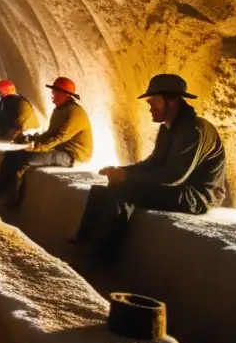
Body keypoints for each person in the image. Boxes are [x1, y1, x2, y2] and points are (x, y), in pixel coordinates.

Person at [71, 74, 226, 253]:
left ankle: (100, 251)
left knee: (124, 190)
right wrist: (121, 170)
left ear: (171, 102)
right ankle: (84, 241)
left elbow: (174, 175)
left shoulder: (192, 130)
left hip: (197, 196)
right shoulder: (169, 128)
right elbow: (153, 163)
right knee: (106, 189)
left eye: (154, 102)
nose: (150, 107)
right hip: (180, 188)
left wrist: (127, 177)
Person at [0, 77, 92, 207]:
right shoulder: (59, 110)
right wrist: (33, 140)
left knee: (27, 159)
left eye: (55, 93)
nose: (52, 96)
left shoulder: (75, 113)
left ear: (64, 94)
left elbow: (60, 137)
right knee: (10, 156)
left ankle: (9, 199)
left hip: (72, 155)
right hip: (59, 149)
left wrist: (38, 148)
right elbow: (49, 134)